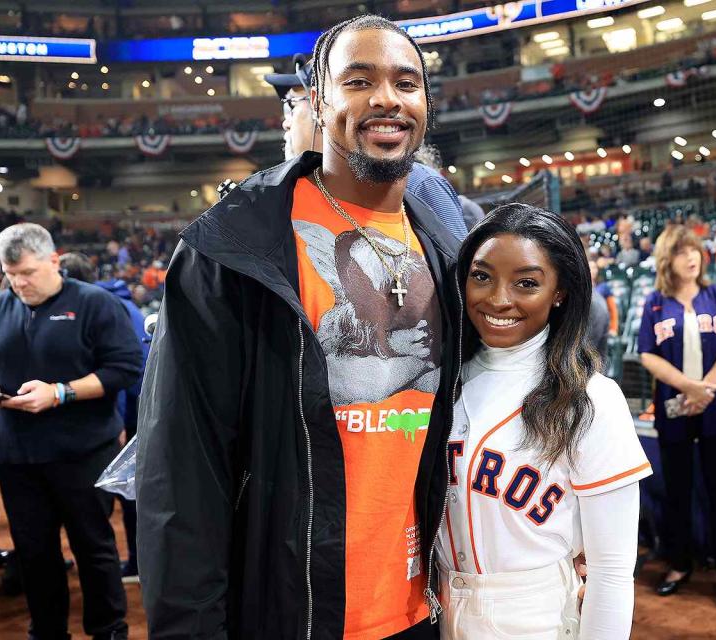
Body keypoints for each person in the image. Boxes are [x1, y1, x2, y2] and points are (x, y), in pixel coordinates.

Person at [136, 15, 462, 639]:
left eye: (406, 82)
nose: (386, 98)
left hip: (423, 612)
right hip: (290, 611)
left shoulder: (447, 251)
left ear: (424, 103)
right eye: (358, 80)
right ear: (317, 101)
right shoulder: (233, 247)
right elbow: (183, 468)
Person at [436, 203, 651, 639]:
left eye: (527, 283)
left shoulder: (592, 400)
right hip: (436, 606)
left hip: (536, 614)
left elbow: (610, 572)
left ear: (560, 292)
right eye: (481, 276)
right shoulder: (439, 382)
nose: (498, 298)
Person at [0, 223, 141, 640]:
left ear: (54, 260)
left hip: (82, 453)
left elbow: (125, 368)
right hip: (18, 456)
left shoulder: (95, 303)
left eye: (28, 273)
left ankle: (108, 631)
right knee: (35, 554)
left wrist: (60, 393)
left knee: (94, 549)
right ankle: (47, 632)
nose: (19, 283)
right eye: (10, 273)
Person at [637, 225, 716, 608]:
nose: (692, 257)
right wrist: (687, 387)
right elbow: (647, 353)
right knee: (678, 493)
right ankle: (679, 565)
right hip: (674, 409)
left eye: (695, 250)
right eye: (683, 252)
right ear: (669, 259)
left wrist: (707, 388)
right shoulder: (654, 302)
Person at [265, 53, 468, 241]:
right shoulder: (305, 196)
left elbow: (458, 275)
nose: (286, 122)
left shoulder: (419, 184)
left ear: (319, 107)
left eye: (291, 105)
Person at [59, 251, 149, 583]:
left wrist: (120, 426)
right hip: (137, 407)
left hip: (127, 411)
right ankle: (140, 563)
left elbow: (124, 373)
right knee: (132, 491)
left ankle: (137, 564)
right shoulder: (118, 301)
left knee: (124, 492)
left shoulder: (101, 307)